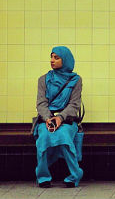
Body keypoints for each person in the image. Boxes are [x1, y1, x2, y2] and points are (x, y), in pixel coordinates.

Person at [34, 46, 83, 188]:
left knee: (63, 136)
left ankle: (75, 174)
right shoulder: (43, 79)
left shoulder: (75, 80)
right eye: (51, 57)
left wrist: (60, 118)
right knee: (43, 136)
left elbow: (74, 104)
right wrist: (49, 118)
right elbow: (41, 103)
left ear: (65, 60)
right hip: (46, 119)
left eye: (56, 57)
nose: (52, 60)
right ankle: (43, 176)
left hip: (67, 120)